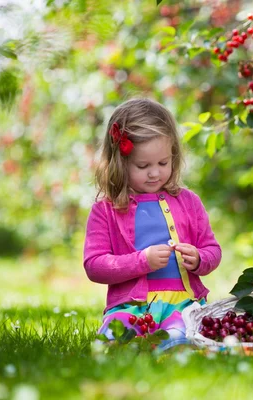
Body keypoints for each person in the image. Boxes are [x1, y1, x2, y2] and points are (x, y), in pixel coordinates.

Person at [84, 98, 221, 351]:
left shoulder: (189, 202)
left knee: (182, 338)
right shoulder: (106, 210)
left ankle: (172, 348)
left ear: (173, 156)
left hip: (184, 303)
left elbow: (213, 250)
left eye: (163, 163)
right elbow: (94, 266)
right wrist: (141, 261)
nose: (155, 173)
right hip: (130, 305)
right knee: (111, 342)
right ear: (120, 162)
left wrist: (200, 259)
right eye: (143, 166)